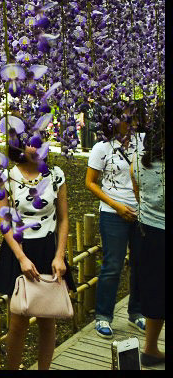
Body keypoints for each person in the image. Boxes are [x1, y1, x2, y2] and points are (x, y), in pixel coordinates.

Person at [0, 136, 75, 370]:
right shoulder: (5, 178)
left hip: (49, 249)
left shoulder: (55, 174)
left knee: (48, 321)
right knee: (18, 323)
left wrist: (59, 256)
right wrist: (21, 258)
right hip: (19, 250)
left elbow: (64, 218)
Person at [85, 101, 144, 337]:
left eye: (135, 119)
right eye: (128, 119)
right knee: (112, 265)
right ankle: (103, 316)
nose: (133, 124)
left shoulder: (143, 142)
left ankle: (136, 312)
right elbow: (90, 182)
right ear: (115, 121)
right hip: (113, 214)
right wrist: (116, 206)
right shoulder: (102, 148)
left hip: (142, 213)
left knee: (141, 264)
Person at [130, 98, 164, 367]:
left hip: (146, 232)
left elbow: (138, 194)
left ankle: (150, 348)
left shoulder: (139, 162)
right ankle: (151, 349)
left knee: (155, 290)